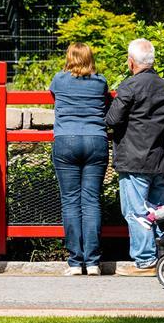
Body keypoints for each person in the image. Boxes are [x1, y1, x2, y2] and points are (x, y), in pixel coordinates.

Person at [105, 38, 164, 276]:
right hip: (160, 158)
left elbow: (112, 119)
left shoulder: (129, 86)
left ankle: (145, 261)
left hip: (134, 158)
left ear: (131, 62)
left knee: (136, 212)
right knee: (160, 209)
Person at [49, 43, 111, 276]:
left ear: (69, 58)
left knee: (71, 201)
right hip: (96, 140)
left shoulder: (59, 79)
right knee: (91, 200)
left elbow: (54, 97)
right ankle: (93, 262)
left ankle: (75, 262)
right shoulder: (100, 82)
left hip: (66, 140)